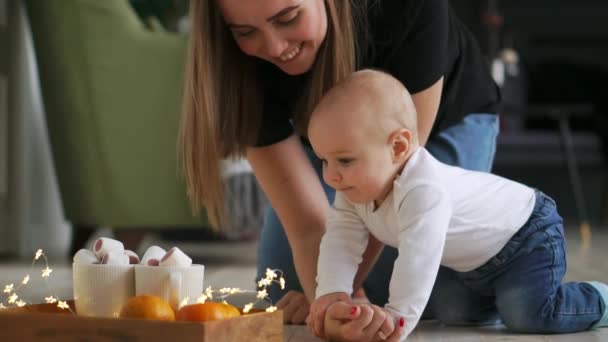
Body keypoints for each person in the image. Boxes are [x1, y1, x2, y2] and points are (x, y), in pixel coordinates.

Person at [179, 0, 501, 326]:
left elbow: (389, 184)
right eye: (246, 32)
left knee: (426, 286)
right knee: (285, 287)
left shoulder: (407, 7)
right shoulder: (237, 63)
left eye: (289, 19)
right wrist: (335, 304)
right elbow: (306, 227)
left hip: (430, 135)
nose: (275, 48)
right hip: (326, 146)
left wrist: (345, 296)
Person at [305, 69, 608, 341]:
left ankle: (600, 298)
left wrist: (397, 319)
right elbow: (341, 241)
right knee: (454, 312)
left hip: (527, 234)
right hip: (475, 265)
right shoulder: (353, 189)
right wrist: (331, 293)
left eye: (344, 160)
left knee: (530, 314)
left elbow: (418, 259)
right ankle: (503, 295)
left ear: (397, 147)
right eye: (324, 160)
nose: (331, 175)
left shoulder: (423, 188)